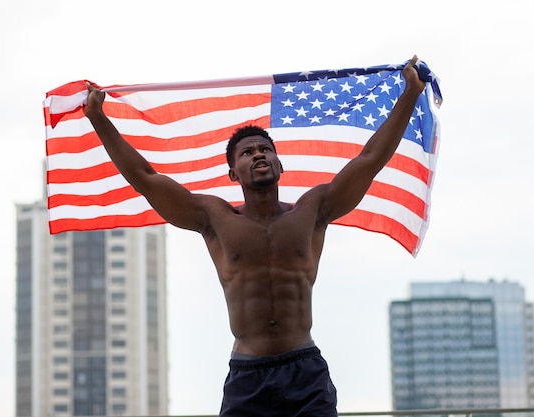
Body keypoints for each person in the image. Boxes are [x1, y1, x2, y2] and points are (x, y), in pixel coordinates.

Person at [84, 55, 426, 417]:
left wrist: (409, 94)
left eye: (265, 150)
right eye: (247, 153)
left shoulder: (313, 211)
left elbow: (371, 158)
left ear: (280, 165)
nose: (258, 155)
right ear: (234, 173)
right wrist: (98, 118)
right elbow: (146, 179)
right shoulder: (213, 217)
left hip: (305, 372)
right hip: (248, 375)